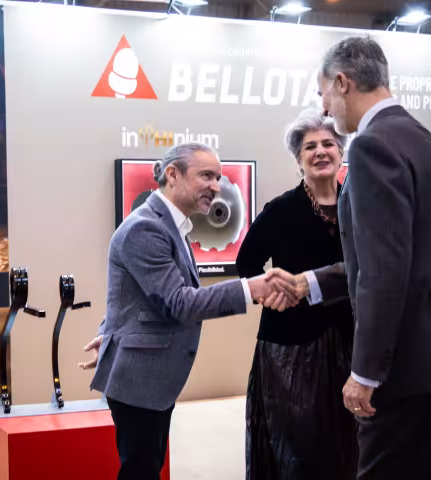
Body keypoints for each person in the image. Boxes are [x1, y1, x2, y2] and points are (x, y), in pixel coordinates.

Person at [267, 37, 431, 480]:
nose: (325, 107)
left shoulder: (370, 146)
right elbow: (405, 256)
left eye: (323, 93)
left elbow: (384, 270)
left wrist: (366, 373)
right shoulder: (421, 139)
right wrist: (310, 282)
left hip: (403, 368)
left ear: (343, 83)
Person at [78, 143, 293, 480]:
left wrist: (111, 330)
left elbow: (133, 293)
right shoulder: (146, 228)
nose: (216, 186)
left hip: (148, 377)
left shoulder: (169, 225)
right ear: (173, 175)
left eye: (218, 178)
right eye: (206, 176)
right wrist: (250, 288)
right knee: (140, 472)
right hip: (140, 380)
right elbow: (179, 303)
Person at [236, 109, 358, 480]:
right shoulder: (281, 210)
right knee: (298, 450)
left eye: (328, 144)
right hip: (291, 351)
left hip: (350, 343)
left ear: (341, 152)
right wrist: (270, 294)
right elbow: (246, 263)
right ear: (298, 159)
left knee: (348, 445)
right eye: (310, 146)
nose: (320, 152)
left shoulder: (358, 206)